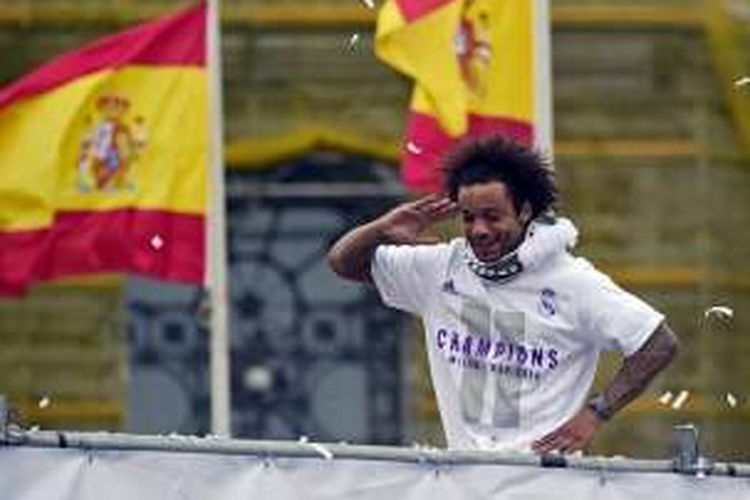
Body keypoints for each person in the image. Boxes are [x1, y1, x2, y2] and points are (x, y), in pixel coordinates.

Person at [328, 136, 679, 453]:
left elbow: (658, 342)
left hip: (545, 486)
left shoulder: (573, 281)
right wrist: (380, 229)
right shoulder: (441, 266)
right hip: (467, 483)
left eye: (492, 217)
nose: (479, 230)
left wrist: (596, 413)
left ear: (525, 211)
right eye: (468, 218)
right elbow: (343, 263)